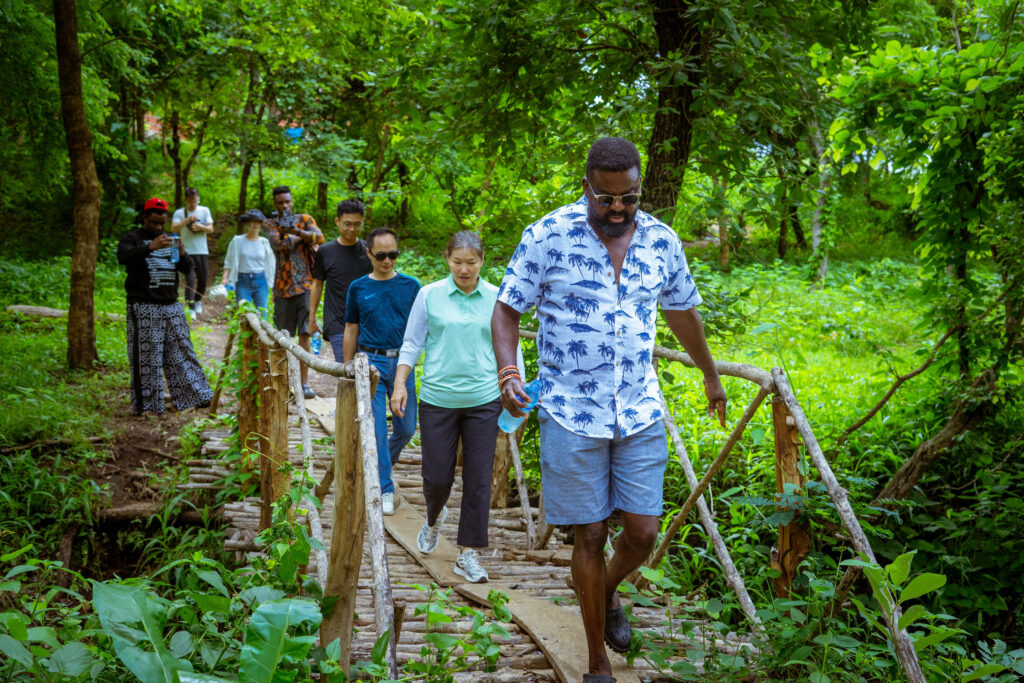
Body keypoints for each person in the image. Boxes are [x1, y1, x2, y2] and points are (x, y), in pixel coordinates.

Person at [491, 137, 728, 682]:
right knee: (590, 535)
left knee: (643, 532)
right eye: (606, 198)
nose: (618, 208)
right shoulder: (547, 235)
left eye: (629, 197)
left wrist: (711, 376)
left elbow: (682, 312)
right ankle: (597, 662)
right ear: (586, 187)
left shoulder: (662, 242)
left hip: (640, 408)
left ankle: (608, 589)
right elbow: (506, 312)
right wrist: (509, 373)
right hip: (570, 412)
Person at [391, 231, 523, 583]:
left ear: (483, 261)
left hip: (483, 400)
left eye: (471, 262)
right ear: (446, 258)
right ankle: (434, 518)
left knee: (478, 480)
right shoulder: (429, 295)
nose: (464, 269)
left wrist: (518, 391)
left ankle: (468, 553)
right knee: (436, 478)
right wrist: (401, 383)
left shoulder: (498, 298)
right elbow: (412, 342)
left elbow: (511, 348)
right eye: (457, 261)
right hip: (437, 399)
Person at [343, 227, 420, 516]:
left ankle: (383, 461)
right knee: (375, 429)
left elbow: (421, 329)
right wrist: (347, 367)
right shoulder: (358, 288)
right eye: (381, 255)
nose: (387, 261)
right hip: (370, 362)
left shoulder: (411, 287)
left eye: (393, 255)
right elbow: (351, 328)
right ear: (369, 253)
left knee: (407, 427)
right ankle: (385, 488)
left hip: (402, 363)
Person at [117, 197, 214, 416]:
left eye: (162, 223)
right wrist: (150, 247)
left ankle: (197, 396)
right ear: (144, 218)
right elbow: (123, 258)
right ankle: (148, 406)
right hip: (143, 305)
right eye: (153, 223)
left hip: (171, 305)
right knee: (146, 357)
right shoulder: (133, 238)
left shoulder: (171, 238)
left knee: (182, 351)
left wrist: (181, 253)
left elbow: (187, 268)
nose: (158, 227)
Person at [266, 185, 324, 399]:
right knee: (282, 337)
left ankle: (304, 384)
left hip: (306, 285)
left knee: (305, 334)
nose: (285, 205)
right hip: (282, 288)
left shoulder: (305, 219)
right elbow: (280, 245)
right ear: (275, 203)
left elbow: (319, 238)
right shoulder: (270, 223)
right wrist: (301, 237)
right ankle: (282, 383)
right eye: (280, 202)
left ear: (292, 201)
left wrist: (297, 232)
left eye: (287, 201)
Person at [308, 199, 372, 360]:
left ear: (363, 222)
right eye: (347, 223)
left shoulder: (369, 251)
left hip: (367, 322)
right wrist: (312, 318)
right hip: (337, 323)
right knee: (346, 372)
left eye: (357, 224)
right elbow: (317, 283)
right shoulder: (326, 251)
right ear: (337, 221)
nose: (352, 229)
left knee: (367, 375)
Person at [171, 187, 214, 319]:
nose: (193, 204)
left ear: (198, 199)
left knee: (203, 280)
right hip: (186, 251)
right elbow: (173, 228)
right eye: (190, 202)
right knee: (189, 280)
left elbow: (211, 229)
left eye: (195, 201)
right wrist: (187, 220)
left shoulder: (204, 210)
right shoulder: (179, 213)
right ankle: (191, 308)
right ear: (186, 200)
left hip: (201, 250)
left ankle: (197, 300)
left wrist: (199, 226)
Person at [222, 209, 275, 313]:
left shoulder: (265, 242)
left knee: (262, 314)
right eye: (252, 221)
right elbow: (229, 260)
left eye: (258, 221)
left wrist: (274, 286)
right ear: (247, 223)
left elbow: (272, 265)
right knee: (244, 314)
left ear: (261, 224)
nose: (254, 224)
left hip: (261, 281)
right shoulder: (237, 241)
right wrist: (225, 278)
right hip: (242, 281)